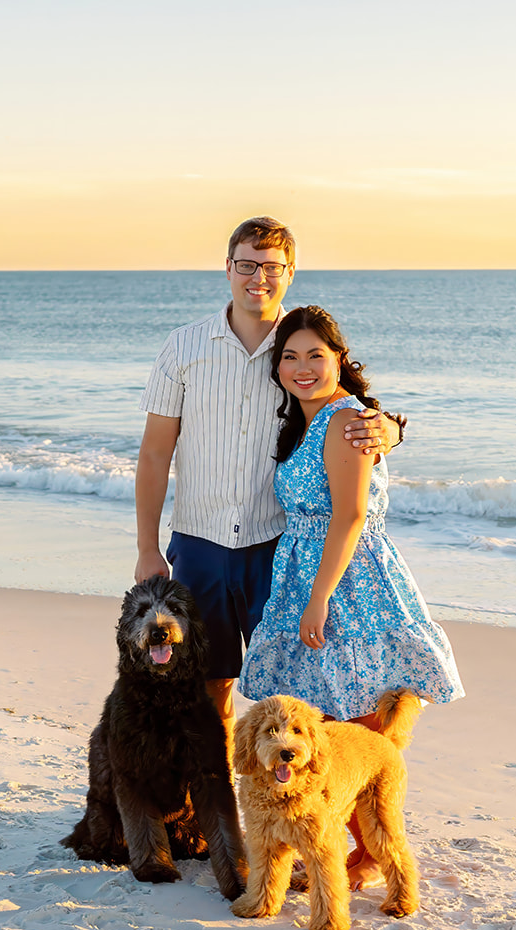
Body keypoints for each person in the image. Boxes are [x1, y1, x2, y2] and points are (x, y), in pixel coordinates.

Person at [134, 217, 402, 722]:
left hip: (277, 550)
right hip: (198, 543)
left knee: (294, 695)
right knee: (203, 685)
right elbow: (154, 454)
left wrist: (388, 428)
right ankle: (210, 798)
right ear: (228, 268)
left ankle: (288, 799)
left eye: (272, 267)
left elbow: (344, 409)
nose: (259, 277)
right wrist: (148, 547)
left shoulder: (297, 348)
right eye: (247, 265)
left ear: (291, 272)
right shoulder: (183, 348)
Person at [239, 304, 463, 886]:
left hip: (347, 580)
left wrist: (318, 600)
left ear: (340, 358)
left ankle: (368, 854)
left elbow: (352, 515)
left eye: (316, 354)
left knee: (358, 721)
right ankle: (331, 846)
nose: (302, 367)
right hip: (309, 573)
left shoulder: (346, 421)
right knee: (328, 718)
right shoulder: (313, 421)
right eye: (289, 357)